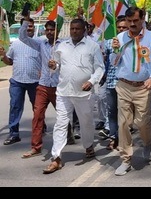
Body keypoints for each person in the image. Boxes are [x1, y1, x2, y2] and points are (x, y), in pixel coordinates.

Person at [42, 18, 105, 174]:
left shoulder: (93, 46)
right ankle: (56, 157)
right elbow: (56, 65)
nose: (74, 31)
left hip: (83, 94)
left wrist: (91, 81)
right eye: (72, 29)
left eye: (77, 29)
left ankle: (88, 145)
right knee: (61, 123)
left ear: (84, 30)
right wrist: (53, 66)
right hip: (63, 92)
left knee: (86, 123)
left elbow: (99, 68)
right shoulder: (62, 46)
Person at [111, 6, 151, 176]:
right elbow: (114, 62)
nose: (132, 24)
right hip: (124, 85)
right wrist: (115, 50)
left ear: (142, 19)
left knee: (141, 122)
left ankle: (147, 143)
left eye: (135, 21)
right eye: (129, 21)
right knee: (124, 123)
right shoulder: (120, 37)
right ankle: (126, 160)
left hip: (144, 87)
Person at [18, 17, 74, 158]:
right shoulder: (40, 44)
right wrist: (25, 20)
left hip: (58, 86)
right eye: (47, 30)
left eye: (52, 30)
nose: (49, 32)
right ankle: (36, 147)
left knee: (62, 116)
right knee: (37, 116)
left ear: (57, 31)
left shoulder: (65, 44)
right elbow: (23, 37)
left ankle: (68, 133)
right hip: (43, 85)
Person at [0, 17, 41, 145]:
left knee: (38, 107)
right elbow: (9, 61)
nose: (29, 29)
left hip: (35, 82)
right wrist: (3, 56)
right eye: (27, 26)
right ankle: (14, 134)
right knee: (15, 107)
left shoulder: (39, 43)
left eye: (31, 27)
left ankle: (40, 127)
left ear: (34, 28)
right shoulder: (16, 44)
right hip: (17, 81)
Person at [101, 15, 129, 151]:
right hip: (111, 82)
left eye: (124, 27)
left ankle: (123, 138)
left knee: (124, 113)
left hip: (126, 83)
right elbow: (104, 62)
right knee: (112, 111)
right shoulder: (108, 43)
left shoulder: (132, 42)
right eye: (119, 27)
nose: (121, 29)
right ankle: (113, 137)